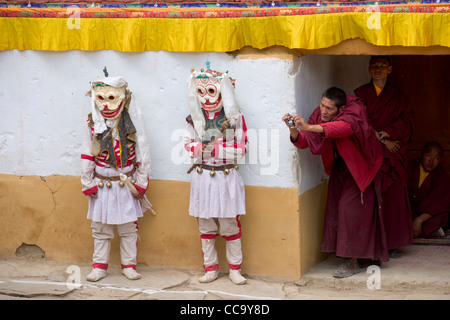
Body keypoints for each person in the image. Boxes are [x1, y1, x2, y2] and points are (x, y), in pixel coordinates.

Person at [283, 87, 388, 278]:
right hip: (339, 168)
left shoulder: (353, 112)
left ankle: (351, 261)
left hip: (360, 168)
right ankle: (357, 255)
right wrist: (295, 131)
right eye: (322, 105)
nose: (323, 111)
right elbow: (308, 142)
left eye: (329, 109)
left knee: (350, 211)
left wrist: (307, 127)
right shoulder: (319, 114)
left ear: (339, 109)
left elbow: (342, 128)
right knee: (336, 211)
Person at [81, 74, 152, 282]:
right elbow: (87, 152)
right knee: (101, 227)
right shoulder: (92, 123)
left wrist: (141, 182)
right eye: (101, 98)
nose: (106, 105)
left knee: (128, 227)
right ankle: (99, 267)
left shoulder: (132, 123)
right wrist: (87, 182)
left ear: (123, 98)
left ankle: (129, 266)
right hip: (101, 183)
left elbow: (143, 152)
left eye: (112, 98)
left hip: (125, 184)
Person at [184, 64, 248, 285]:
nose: (207, 98)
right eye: (201, 92)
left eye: (211, 91)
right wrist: (198, 149)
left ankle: (235, 270)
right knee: (206, 226)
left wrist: (219, 150)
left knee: (230, 225)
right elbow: (187, 143)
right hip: (202, 178)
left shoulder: (235, 118)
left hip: (226, 177)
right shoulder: (194, 118)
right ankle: (210, 268)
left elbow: (243, 148)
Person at [354, 56, 414, 257]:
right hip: (369, 154)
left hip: (392, 156)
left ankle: (392, 242)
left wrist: (388, 132)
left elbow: (408, 119)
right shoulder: (360, 94)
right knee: (371, 199)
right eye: (374, 66)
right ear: (369, 69)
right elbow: (357, 123)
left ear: (390, 69)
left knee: (393, 198)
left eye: (382, 66)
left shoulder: (398, 96)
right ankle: (374, 243)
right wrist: (382, 140)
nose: (378, 69)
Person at [408, 142, 450, 238]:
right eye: (428, 155)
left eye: (436, 158)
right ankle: (427, 231)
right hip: (408, 210)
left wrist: (419, 220)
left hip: (425, 213)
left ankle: (414, 229)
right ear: (422, 154)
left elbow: (441, 202)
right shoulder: (409, 167)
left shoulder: (441, 174)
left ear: (440, 160)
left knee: (443, 216)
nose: (431, 161)